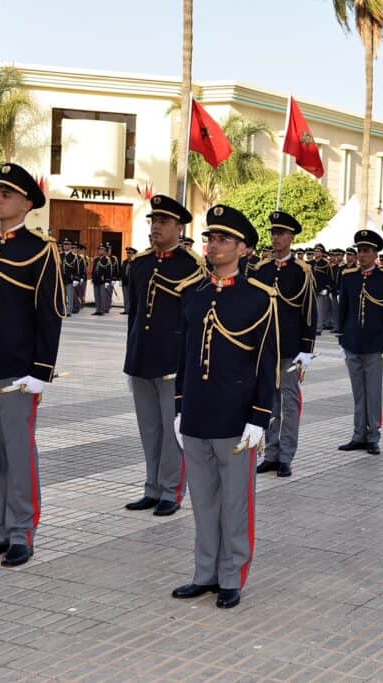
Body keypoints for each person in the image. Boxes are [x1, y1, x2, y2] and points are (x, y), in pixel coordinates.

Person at [171, 204, 279, 609]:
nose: (213, 246)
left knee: (236, 501)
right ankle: (205, 572)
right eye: (210, 238)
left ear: (244, 249)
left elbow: (267, 362)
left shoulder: (259, 298)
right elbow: (183, 357)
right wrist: (180, 407)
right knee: (203, 500)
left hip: (236, 416)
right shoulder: (193, 296)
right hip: (197, 412)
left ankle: (232, 575)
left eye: (223, 240)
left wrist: (260, 416)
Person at [0, 163, 65, 568]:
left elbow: (50, 314)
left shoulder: (41, 250)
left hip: (17, 372)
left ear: (26, 203)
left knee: (19, 454)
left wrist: (41, 371)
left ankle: (23, 531)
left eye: (6, 194)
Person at [122, 195, 204, 516]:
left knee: (171, 432)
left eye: (164, 222)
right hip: (141, 359)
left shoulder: (192, 267)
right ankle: (151, 487)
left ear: (179, 227)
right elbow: (134, 315)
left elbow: (194, 322)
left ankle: (171, 491)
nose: (156, 226)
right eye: (153, 220)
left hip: (173, 363)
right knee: (149, 429)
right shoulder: (139, 264)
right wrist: (130, 354)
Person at [251, 210, 317, 478]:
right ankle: (271, 452)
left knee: (289, 403)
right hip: (266, 347)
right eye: (273, 233)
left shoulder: (302, 271)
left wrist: (306, 349)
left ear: (291, 237)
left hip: (290, 347)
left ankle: (287, 455)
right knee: (268, 401)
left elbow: (309, 311)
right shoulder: (261, 269)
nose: (276, 238)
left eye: (281, 233)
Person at [336, 229, 383, 456]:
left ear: (375, 254)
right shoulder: (348, 277)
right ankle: (358, 435)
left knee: (373, 392)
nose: (361, 255)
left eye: (366, 251)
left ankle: (373, 436)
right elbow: (342, 308)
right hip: (352, 341)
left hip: (375, 343)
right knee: (358, 392)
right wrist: (341, 338)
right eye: (359, 251)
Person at [91, 243, 115, 316]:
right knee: (96, 296)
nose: (100, 251)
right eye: (99, 249)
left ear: (105, 251)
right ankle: (97, 309)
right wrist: (93, 277)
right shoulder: (96, 259)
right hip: (96, 280)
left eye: (102, 249)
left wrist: (108, 280)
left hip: (103, 281)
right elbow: (94, 270)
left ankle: (102, 310)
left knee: (102, 296)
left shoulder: (107, 260)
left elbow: (109, 270)